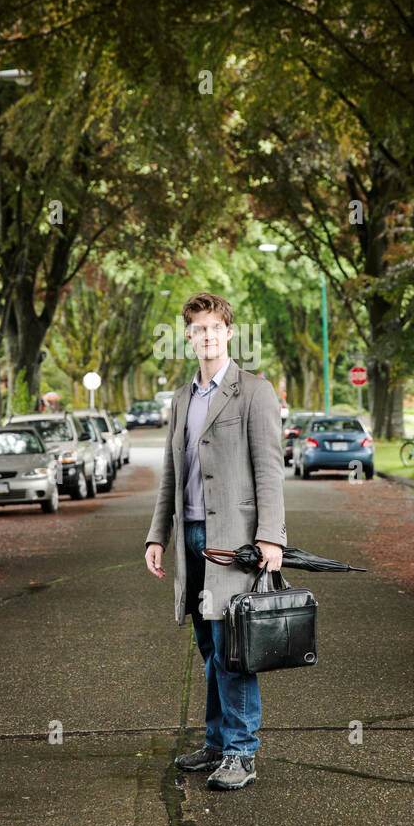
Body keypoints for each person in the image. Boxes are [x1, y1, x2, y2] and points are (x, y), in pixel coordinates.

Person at [144, 292, 286, 790]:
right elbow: (170, 474)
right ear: (188, 337)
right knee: (208, 647)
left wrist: (271, 536)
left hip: (234, 542)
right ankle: (216, 743)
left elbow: (270, 470)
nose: (207, 336)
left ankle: (242, 753)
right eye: (198, 329)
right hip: (189, 538)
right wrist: (156, 536)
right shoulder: (182, 399)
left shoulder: (254, 392)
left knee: (233, 648)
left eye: (215, 328)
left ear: (229, 332)